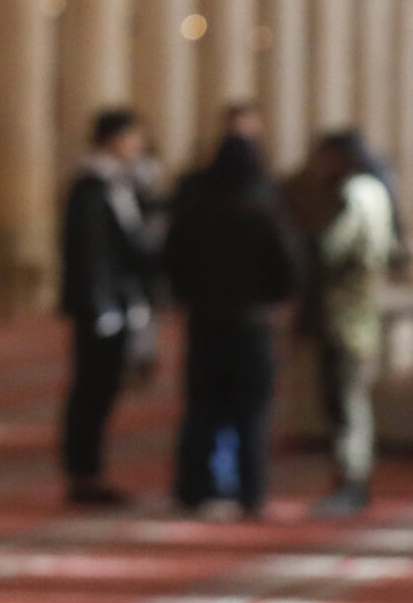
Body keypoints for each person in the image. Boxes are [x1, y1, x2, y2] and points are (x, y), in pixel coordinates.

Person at [162, 135, 297, 516]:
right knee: (251, 414)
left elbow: (170, 261)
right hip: (251, 326)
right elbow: (287, 272)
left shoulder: (193, 212)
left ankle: (193, 489)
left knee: (201, 410)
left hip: (204, 323)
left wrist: (190, 295)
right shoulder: (263, 213)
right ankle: (250, 492)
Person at [291, 130, 400, 516]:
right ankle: (351, 478)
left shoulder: (356, 193)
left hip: (345, 313)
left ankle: (352, 480)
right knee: (345, 399)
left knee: (346, 400)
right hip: (354, 312)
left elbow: (332, 247)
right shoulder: (376, 189)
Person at [58, 107, 157, 506]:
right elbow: (92, 255)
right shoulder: (92, 186)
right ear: (113, 140)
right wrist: (102, 307)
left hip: (114, 303)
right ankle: (85, 474)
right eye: (133, 139)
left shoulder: (118, 183)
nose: (138, 148)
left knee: (103, 390)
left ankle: (90, 471)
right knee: (91, 391)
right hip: (102, 308)